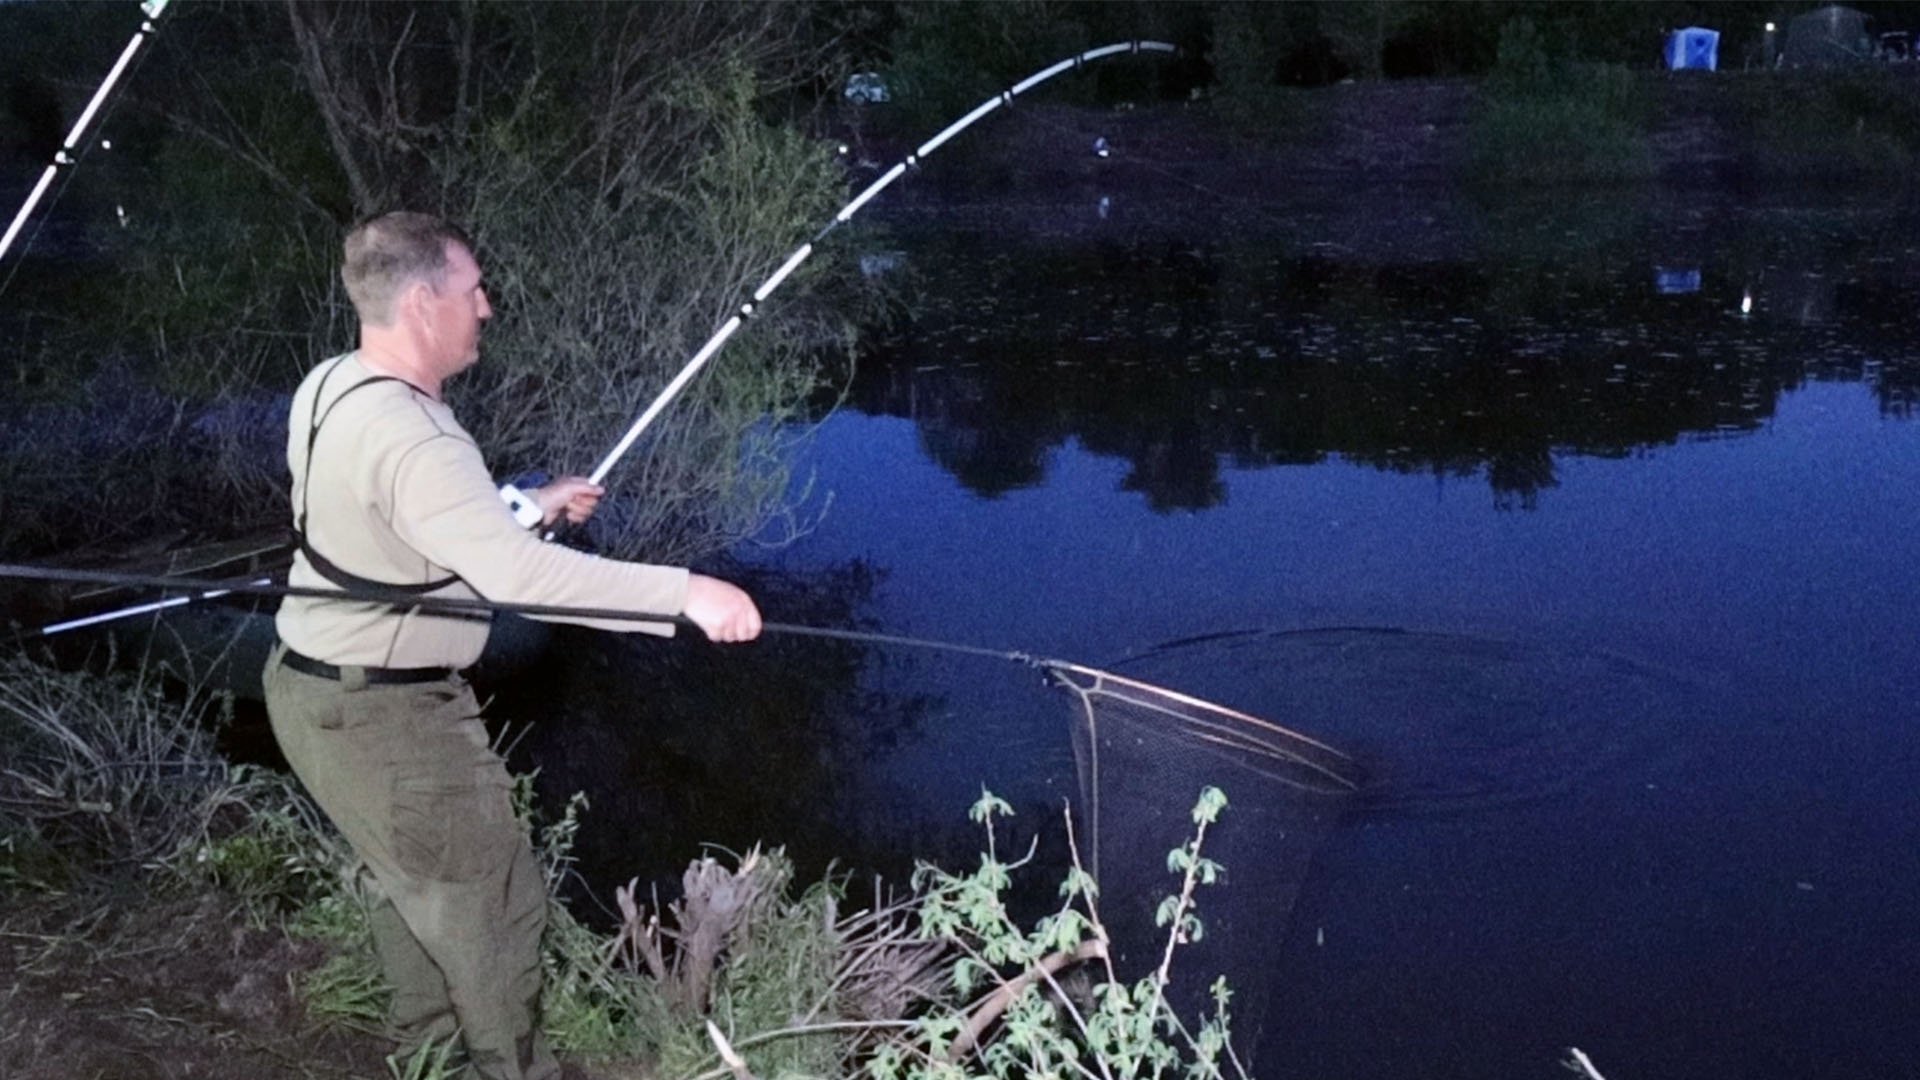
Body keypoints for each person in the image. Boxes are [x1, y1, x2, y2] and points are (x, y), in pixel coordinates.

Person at [264, 211, 762, 1080]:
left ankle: (429, 1059)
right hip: (387, 718)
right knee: (491, 909)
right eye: (472, 291)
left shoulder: (333, 385)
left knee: (408, 889)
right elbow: (526, 583)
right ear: (423, 304)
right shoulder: (418, 436)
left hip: (311, 695)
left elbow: (405, 528)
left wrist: (526, 505)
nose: (486, 307)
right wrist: (687, 594)